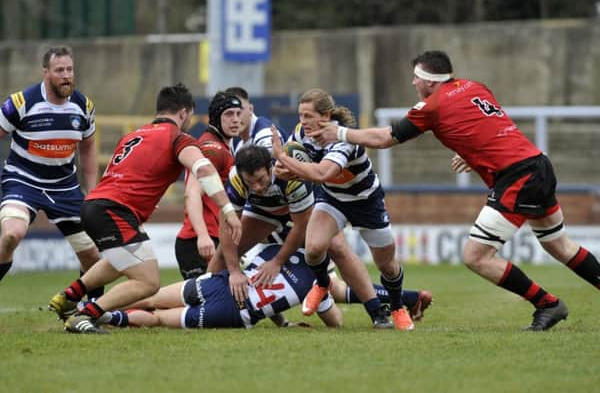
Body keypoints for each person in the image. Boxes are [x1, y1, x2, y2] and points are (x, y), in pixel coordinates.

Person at [310, 50, 600, 331]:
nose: (413, 83)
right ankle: (549, 304)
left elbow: (387, 137)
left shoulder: (433, 105)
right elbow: (487, 123)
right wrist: (472, 152)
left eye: (416, 78)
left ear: (430, 80)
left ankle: (547, 303)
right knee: (558, 245)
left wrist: (341, 133)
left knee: (476, 256)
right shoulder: (475, 86)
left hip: (517, 176)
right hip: (538, 165)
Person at [48, 83, 242, 334]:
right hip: (114, 209)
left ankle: (68, 297)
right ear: (184, 113)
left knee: (123, 260)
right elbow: (203, 170)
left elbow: (122, 174)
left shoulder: (133, 135)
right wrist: (227, 209)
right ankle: (85, 314)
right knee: (148, 281)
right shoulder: (178, 137)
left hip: (96, 204)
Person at [209, 144, 403, 328]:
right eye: (251, 183)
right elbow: (227, 225)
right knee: (223, 254)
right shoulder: (236, 179)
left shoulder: (287, 175)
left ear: (270, 167)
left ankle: (376, 311)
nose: (257, 187)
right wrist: (234, 271)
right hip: (265, 211)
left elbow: (300, 225)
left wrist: (277, 262)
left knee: (337, 248)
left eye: (261, 180)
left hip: (306, 208)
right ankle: (205, 302)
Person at [270, 89, 415, 331]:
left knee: (386, 265)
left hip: (366, 201)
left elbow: (322, 173)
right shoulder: (300, 133)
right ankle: (323, 283)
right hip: (333, 198)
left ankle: (398, 307)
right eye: (300, 115)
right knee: (314, 248)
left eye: (308, 116)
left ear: (325, 116)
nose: (302, 121)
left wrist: (282, 158)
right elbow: (291, 168)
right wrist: (282, 167)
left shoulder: (342, 139)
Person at [100, 244, 432, 330]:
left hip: (219, 285)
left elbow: (248, 268)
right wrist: (286, 316)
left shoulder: (271, 251)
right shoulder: (315, 281)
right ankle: (106, 320)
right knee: (157, 319)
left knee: (152, 296)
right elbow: (336, 318)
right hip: (233, 313)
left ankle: (96, 307)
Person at [0, 46, 103, 299]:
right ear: (46, 73)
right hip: (22, 181)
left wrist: (92, 192)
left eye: (70, 69)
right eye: (59, 70)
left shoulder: (84, 106)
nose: (66, 75)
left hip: (64, 186)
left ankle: (90, 309)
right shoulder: (20, 103)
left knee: (93, 253)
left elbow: (88, 148)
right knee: (12, 234)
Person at [175, 91, 243, 279]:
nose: (236, 119)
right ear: (215, 118)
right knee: (200, 305)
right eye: (229, 114)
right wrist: (203, 235)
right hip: (199, 241)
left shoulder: (223, 146)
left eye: (238, 113)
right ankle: (127, 308)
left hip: (214, 238)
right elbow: (192, 192)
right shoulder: (212, 149)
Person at [226, 86, 285, 154]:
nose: (235, 119)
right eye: (229, 113)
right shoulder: (235, 141)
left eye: (239, 111)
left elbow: (269, 165)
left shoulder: (265, 134)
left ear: (250, 109)